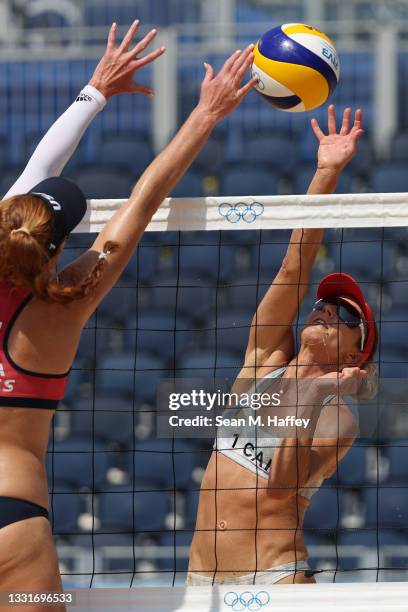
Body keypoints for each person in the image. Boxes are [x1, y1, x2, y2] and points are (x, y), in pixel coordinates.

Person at [0, 17, 258, 606]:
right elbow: (144, 197)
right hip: (14, 520)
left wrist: (94, 93)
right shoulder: (64, 305)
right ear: (58, 247)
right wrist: (206, 115)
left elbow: (36, 174)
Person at [187, 105, 378, 586]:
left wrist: (312, 396)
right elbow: (296, 264)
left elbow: (282, 490)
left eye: (347, 315)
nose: (328, 309)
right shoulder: (264, 361)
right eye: (326, 303)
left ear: (356, 355)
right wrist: (326, 173)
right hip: (200, 583)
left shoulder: (339, 416)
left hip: (272, 581)